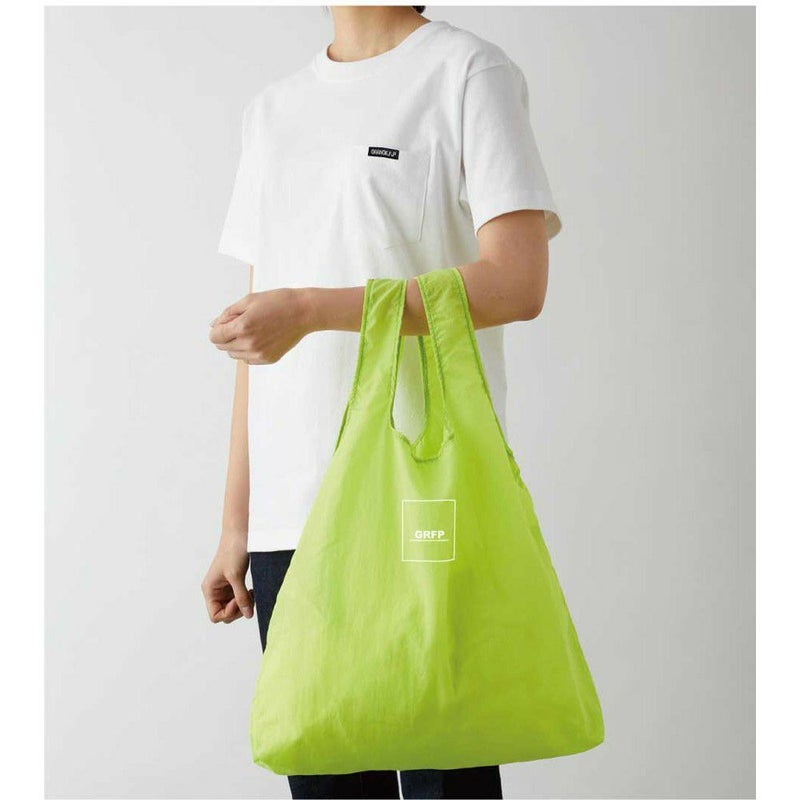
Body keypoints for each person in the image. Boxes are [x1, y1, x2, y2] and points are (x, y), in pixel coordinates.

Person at [201, 6, 561, 799]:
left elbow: (517, 282)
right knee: (326, 781)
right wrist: (237, 524)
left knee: (447, 777)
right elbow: (256, 343)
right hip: (294, 514)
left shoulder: (467, 73)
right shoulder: (272, 111)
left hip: (421, 493)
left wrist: (311, 309)